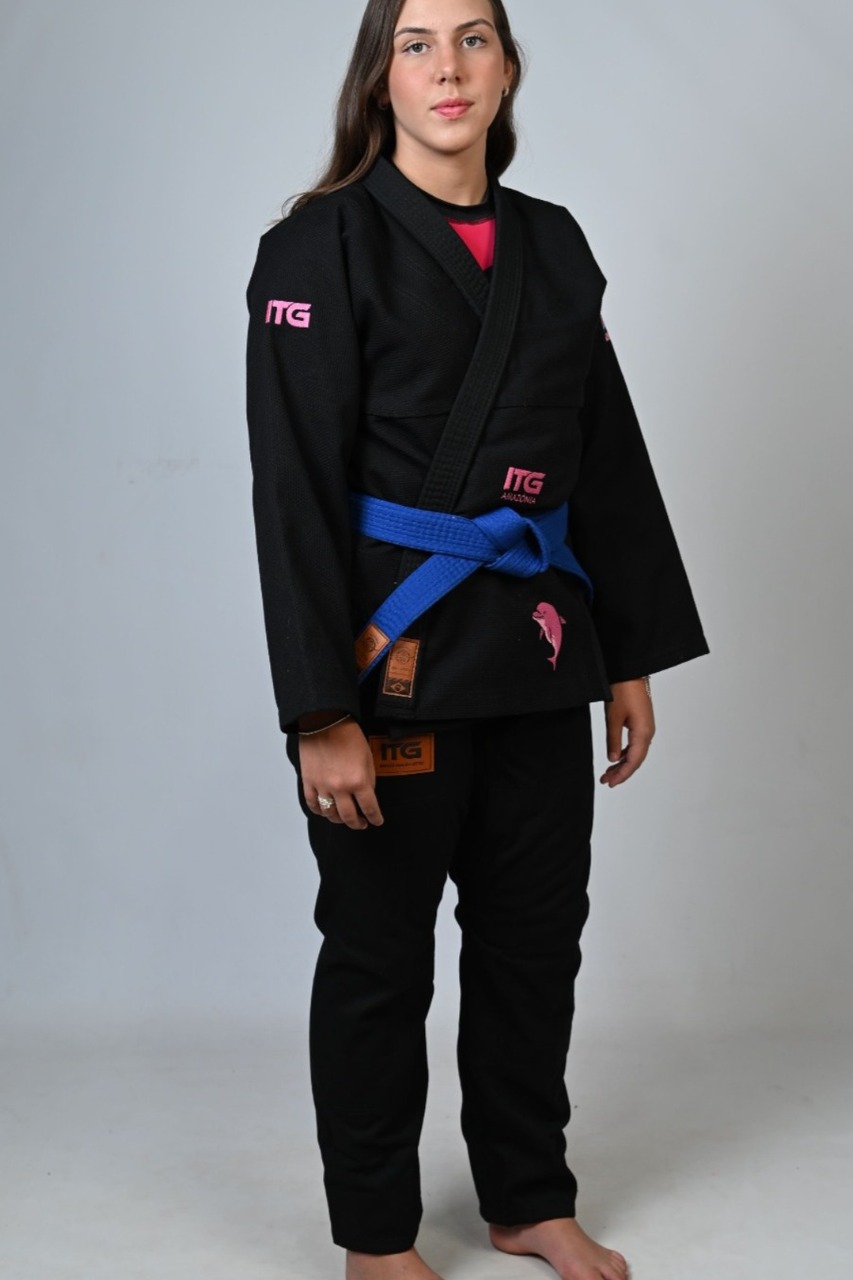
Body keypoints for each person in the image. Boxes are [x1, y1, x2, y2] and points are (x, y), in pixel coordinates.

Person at [244, 2, 709, 1278]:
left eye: (472, 39)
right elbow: (292, 492)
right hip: (389, 673)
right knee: (380, 958)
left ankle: (526, 1196)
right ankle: (376, 1234)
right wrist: (319, 710)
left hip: (541, 654)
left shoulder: (554, 243)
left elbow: (602, 455)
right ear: (379, 77)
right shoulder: (317, 247)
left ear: (507, 67)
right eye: (415, 43)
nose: (446, 67)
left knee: (533, 945)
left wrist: (627, 651)